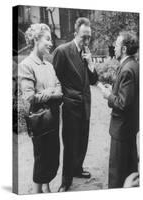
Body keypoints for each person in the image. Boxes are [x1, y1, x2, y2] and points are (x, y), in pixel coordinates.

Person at [53, 17, 98, 191]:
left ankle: (78, 168)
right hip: (71, 107)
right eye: (84, 37)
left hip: (85, 104)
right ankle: (66, 180)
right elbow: (54, 79)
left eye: (89, 37)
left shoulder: (86, 52)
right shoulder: (62, 51)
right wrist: (63, 99)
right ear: (75, 33)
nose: (87, 41)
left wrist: (90, 64)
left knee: (82, 141)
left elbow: (93, 80)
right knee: (70, 143)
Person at [19, 23, 62, 193]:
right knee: (41, 159)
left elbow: (60, 91)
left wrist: (49, 92)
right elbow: (28, 96)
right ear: (36, 39)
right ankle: (38, 192)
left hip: (53, 118)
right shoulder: (27, 65)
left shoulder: (49, 66)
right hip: (39, 120)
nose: (51, 43)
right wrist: (51, 92)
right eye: (48, 39)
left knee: (52, 158)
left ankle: (47, 188)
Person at [101, 31, 139, 188]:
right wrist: (114, 90)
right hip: (129, 128)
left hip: (122, 129)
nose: (114, 48)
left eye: (116, 45)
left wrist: (108, 95)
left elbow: (123, 104)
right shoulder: (133, 65)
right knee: (129, 167)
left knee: (117, 172)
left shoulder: (127, 69)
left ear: (123, 49)